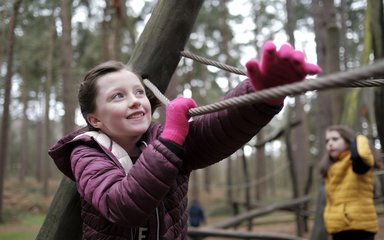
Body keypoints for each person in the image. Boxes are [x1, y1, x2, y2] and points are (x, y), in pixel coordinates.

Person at [48, 41, 320, 240]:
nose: (135, 101)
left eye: (139, 92)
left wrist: (261, 94)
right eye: (118, 96)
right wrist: (171, 138)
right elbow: (120, 205)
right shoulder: (85, 153)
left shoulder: (163, 139)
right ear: (95, 119)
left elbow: (214, 131)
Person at [319, 125, 379, 240]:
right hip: (337, 228)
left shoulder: (357, 162)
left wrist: (359, 138)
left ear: (348, 141)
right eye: (327, 141)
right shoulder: (330, 167)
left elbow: (363, 155)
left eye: (335, 139)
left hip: (359, 229)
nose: (330, 144)